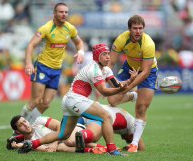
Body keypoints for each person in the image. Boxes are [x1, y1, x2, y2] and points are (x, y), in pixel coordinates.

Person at [19, 43, 138, 156]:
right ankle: (112, 150)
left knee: (63, 134)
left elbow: (117, 86)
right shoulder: (94, 69)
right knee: (106, 116)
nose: (108, 57)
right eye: (104, 54)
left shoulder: (106, 70)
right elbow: (104, 91)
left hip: (70, 100)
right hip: (76, 99)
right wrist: (121, 89)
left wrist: (130, 81)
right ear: (97, 56)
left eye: (108, 53)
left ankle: (31, 144)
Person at [21, 3, 85, 125]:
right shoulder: (46, 28)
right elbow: (30, 45)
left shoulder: (69, 28)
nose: (64, 14)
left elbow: (79, 42)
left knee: (46, 103)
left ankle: (29, 123)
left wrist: (80, 52)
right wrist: (28, 63)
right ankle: (18, 126)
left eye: (66, 12)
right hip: (42, 67)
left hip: (56, 69)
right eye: (61, 12)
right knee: (35, 100)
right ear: (54, 13)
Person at [108, 15, 158, 152]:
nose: (138, 31)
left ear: (143, 29)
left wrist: (127, 87)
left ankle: (134, 144)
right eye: (135, 28)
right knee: (111, 99)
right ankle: (134, 96)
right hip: (128, 68)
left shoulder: (149, 43)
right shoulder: (121, 39)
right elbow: (111, 63)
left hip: (148, 72)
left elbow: (145, 72)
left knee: (141, 108)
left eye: (140, 28)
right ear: (129, 29)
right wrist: (105, 79)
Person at [8, 115, 106, 153]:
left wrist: (55, 141)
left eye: (25, 121)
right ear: (17, 131)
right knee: (61, 147)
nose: (25, 124)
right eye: (21, 125)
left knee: (69, 141)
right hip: (67, 142)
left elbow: (60, 126)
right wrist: (19, 145)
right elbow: (47, 149)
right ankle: (95, 149)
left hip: (73, 130)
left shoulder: (38, 121)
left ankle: (104, 147)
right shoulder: (30, 143)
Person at [77, 102, 145, 151]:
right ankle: (102, 147)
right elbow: (141, 148)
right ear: (132, 135)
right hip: (100, 115)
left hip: (91, 108)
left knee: (68, 137)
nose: (122, 138)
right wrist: (132, 146)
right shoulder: (133, 126)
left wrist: (128, 146)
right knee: (90, 138)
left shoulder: (125, 124)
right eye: (127, 139)